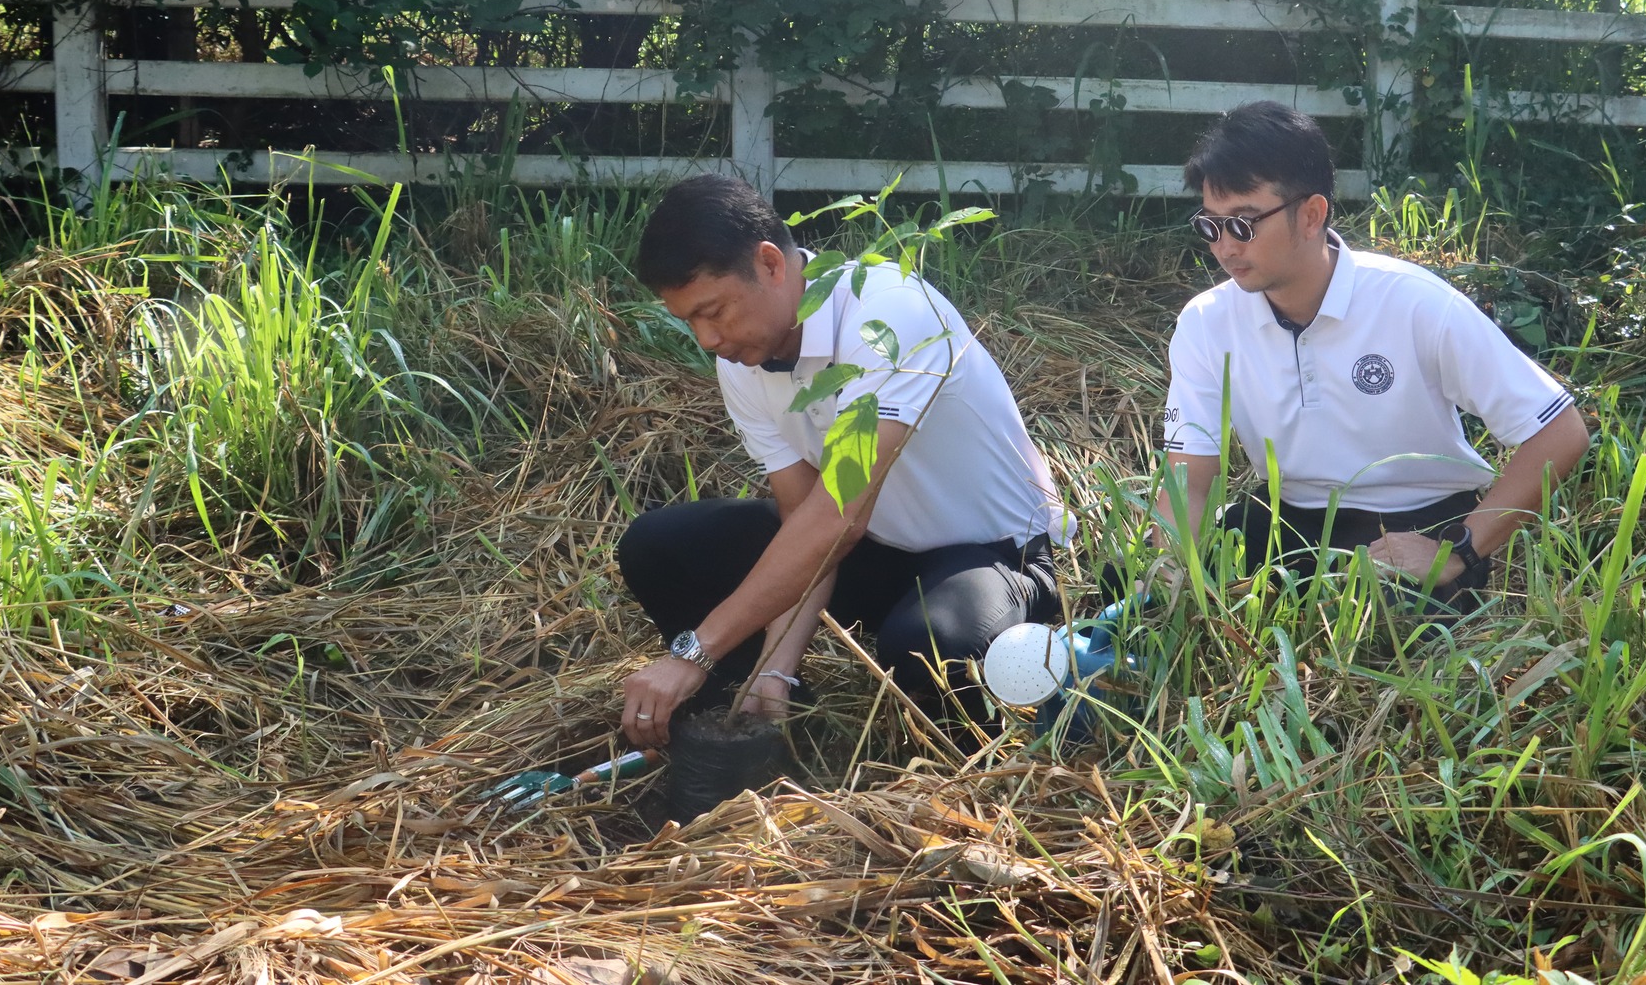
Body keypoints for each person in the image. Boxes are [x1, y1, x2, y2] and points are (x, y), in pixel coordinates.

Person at [615, 175, 1068, 748]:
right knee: (660, 546)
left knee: (929, 645)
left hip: (994, 556)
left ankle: (969, 751)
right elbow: (803, 517)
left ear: (770, 264)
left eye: (715, 311)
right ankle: (750, 725)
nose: (707, 340)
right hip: (874, 553)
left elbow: (838, 515)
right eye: (690, 322)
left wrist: (696, 651)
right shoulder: (743, 360)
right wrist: (776, 666)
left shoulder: (888, 318)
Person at [1157, 102, 1590, 600]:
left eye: (1243, 224)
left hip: (1416, 520)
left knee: (1379, 621)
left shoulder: (1414, 303)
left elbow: (1560, 432)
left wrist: (1458, 550)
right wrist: (1172, 576)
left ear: (1311, 215)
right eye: (1211, 226)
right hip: (1289, 518)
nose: (1225, 248)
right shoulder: (1207, 322)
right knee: (1131, 590)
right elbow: (1190, 480)